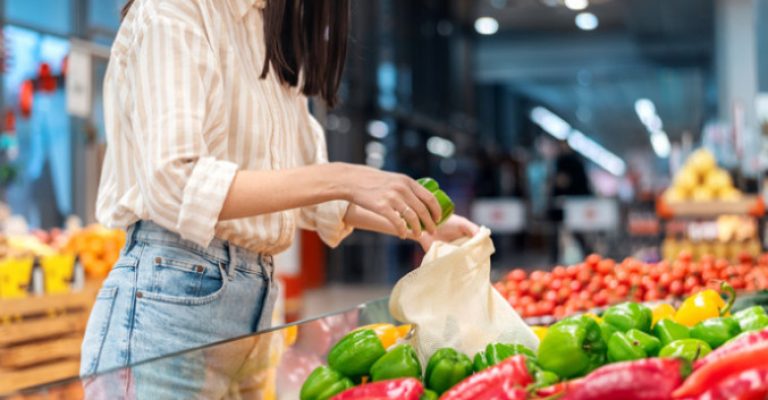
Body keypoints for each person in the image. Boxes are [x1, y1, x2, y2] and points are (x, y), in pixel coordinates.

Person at [81, 0, 478, 395]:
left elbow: (309, 194)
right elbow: (175, 181)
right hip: (168, 302)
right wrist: (341, 177)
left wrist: (421, 224)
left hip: (255, 308)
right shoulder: (174, 10)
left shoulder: (267, 32)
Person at [548, 140, 592, 263]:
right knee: (565, 232)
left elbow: (562, 181)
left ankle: (586, 256)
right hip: (566, 203)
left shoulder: (566, 161)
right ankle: (585, 256)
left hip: (572, 203)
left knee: (575, 232)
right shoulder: (568, 160)